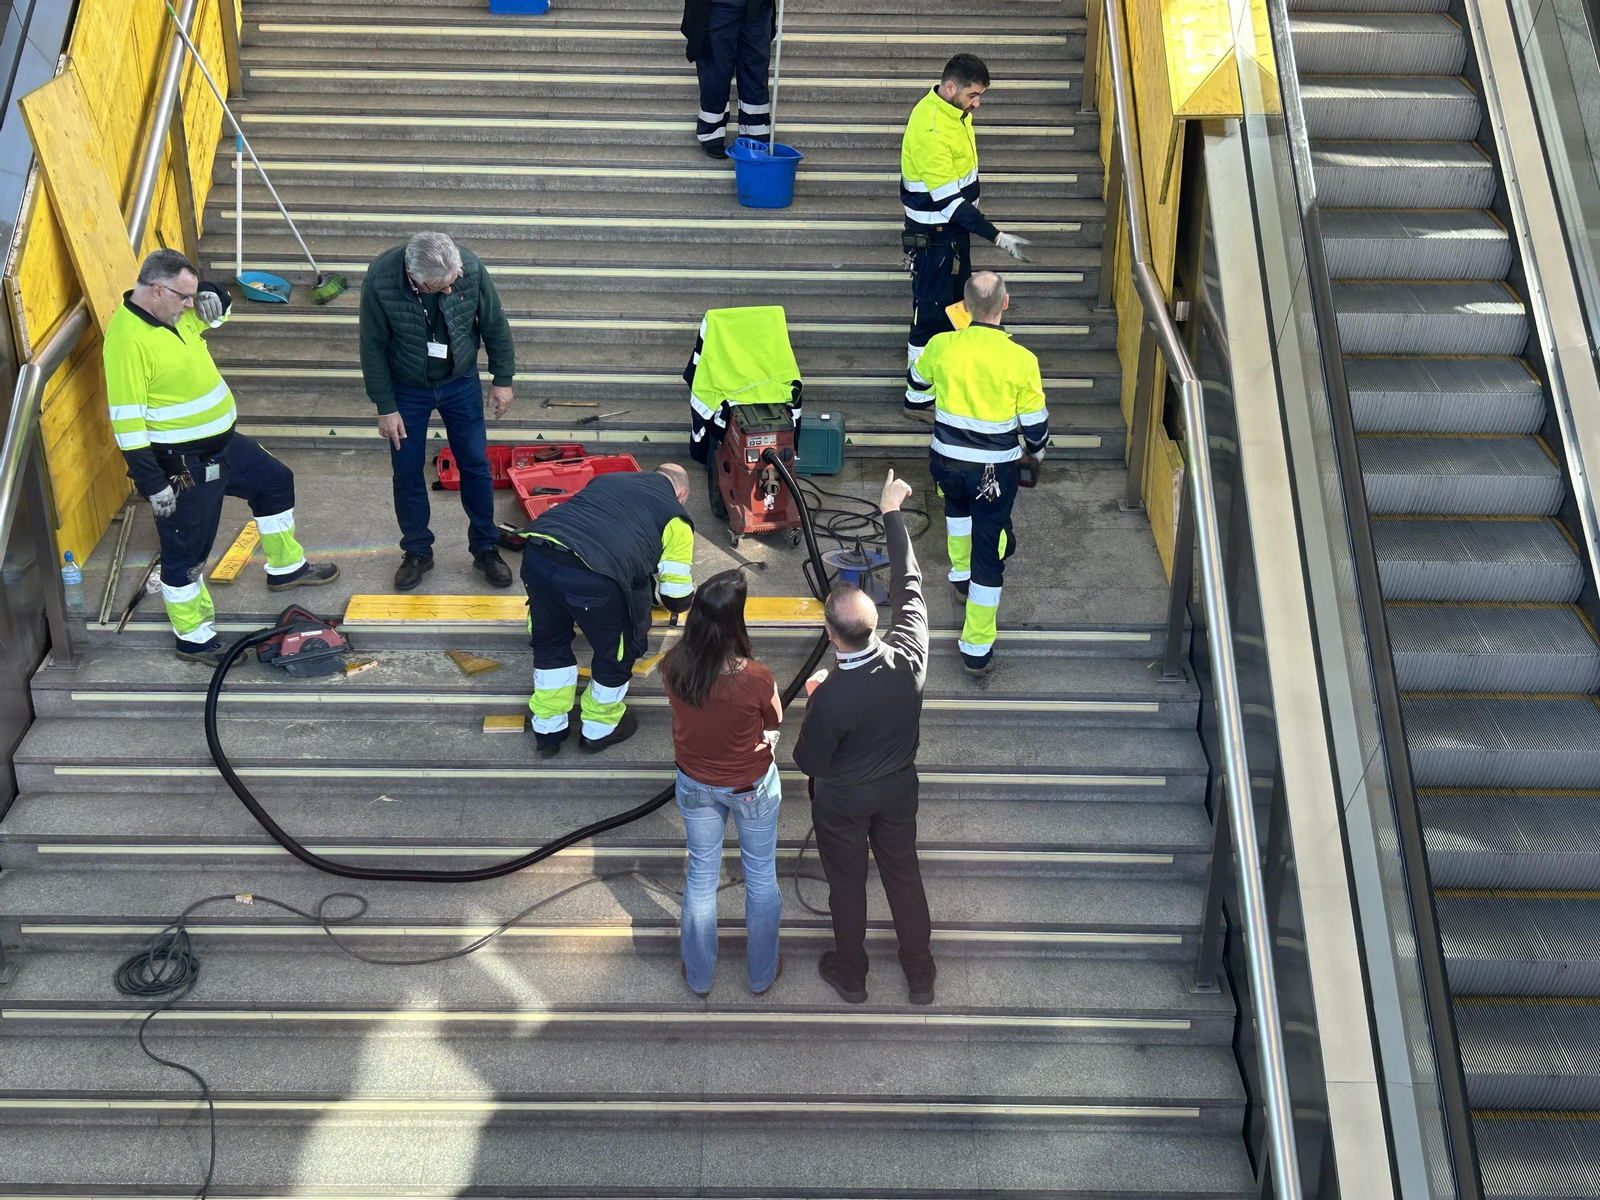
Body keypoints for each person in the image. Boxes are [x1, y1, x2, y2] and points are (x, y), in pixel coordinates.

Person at [103, 249, 338, 667]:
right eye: (185, 297)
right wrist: (153, 484)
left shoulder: (173, 313)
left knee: (275, 482)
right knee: (187, 554)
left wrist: (212, 292)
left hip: (226, 446)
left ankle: (285, 568)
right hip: (181, 465)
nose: (190, 306)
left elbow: (217, 312)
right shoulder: (126, 341)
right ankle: (193, 638)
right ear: (157, 290)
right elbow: (127, 424)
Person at [793, 469, 935, 1006]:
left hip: (844, 802)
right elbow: (911, 585)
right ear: (875, 622)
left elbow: (811, 761)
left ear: (830, 634)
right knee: (904, 875)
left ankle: (852, 974)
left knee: (847, 887)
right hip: (898, 789)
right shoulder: (911, 658)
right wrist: (891, 513)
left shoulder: (831, 695)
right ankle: (919, 974)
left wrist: (813, 697)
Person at [359, 231, 519, 592]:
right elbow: (372, 346)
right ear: (413, 276)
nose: (447, 291)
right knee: (407, 471)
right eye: (437, 287)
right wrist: (386, 407)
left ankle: (485, 548)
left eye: (452, 283)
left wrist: (503, 379)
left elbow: (494, 324)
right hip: (406, 388)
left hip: (460, 381)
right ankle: (417, 551)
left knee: (476, 465)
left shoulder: (470, 269)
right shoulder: (381, 278)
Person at [908, 271, 1048, 675]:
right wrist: (1036, 454)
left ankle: (960, 575)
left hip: (946, 462)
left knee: (956, 508)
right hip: (994, 472)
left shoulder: (940, 345)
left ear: (965, 307)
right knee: (991, 547)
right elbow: (1035, 429)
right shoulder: (1022, 360)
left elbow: (916, 388)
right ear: (1005, 303)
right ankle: (976, 646)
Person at [662, 569, 784, 996]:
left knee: (700, 877)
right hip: (750, 787)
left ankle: (698, 975)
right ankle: (761, 973)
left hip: (695, 783)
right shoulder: (755, 678)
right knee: (761, 877)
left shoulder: (673, 665)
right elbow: (775, 721)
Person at [521, 464, 696, 755]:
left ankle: (549, 730)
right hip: (595, 577)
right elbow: (675, 597)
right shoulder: (676, 516)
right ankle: (598, 730)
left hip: (539, 553)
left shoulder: (608, 479)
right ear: (682, 493)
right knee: (617, 652)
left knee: (550, 644)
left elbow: (603, 526)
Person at [900, 53, 1031, 421]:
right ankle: (918, 398)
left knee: (955, 310)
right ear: (951, 87)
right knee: (929, 317)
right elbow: (950, 203)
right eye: (974, 95)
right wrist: (999, 237)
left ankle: (938, 383)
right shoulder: (931, 129)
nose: (977, 103)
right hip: (936, 238)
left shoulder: (954, 114)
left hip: (951, 238)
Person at [682, 305, 802, 518]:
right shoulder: (769, 319)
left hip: (749, 389)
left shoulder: (715, 320)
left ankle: (765, 495)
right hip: (764, 388)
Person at [681, 0, 773, 158]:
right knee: (716, 70)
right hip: (718, 6)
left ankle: (755, 129)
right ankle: (711, 132)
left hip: (758, 6)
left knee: (755, 68)